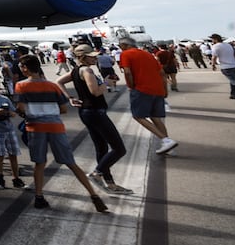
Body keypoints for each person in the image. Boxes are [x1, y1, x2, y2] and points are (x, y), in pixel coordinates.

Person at [14, 55, 109, 213]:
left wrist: (29, 111)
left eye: (21, 66)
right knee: (70, 162)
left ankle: (39, 197)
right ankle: (94, 196)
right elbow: (64, 109)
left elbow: (21, 108)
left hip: (35, 128)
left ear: (25, 68)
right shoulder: (52, 86)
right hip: (55, 127)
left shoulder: (21, 86)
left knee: (40, 163)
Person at [58, 44, 129, 193]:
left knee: (101, 148)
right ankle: (97, 173)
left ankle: (109, 183)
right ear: (83, 56)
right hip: (96, 112)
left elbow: (58, 82)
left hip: (86, 112)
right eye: (92, 55)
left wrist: (70, 98)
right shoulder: (87, 70)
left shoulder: (75, 71)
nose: (95, 57)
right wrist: (107, 84)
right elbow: (95, 92)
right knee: (119, 149)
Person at [118, 44, 177, 155]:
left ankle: (166, 140)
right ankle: (168, 145)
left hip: (142, 89)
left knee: (138, 116)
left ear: (123, 46)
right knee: (155, 117)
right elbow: (162, 73)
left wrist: (131, 86)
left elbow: (127, 71)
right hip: (157, 89)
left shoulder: (125, 54)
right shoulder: (148, 54)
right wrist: (165, 90)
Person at [210, 33, 235, 99]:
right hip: (234, 65)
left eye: (212, 39)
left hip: (226, 67)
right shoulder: (228, 45)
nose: (211, 40)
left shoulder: (215, 46)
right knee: (233, 81)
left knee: (234, 81)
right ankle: (233, 95)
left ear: (215, 39)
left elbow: (214, 57)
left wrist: (213, 65)